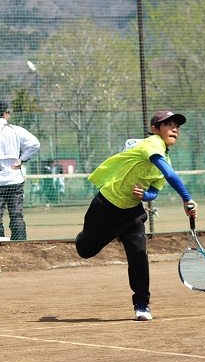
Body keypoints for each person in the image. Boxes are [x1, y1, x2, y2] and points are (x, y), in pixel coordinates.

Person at [75, 110, 198, 321]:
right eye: (168, 124)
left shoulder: (164, 157)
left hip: (132, 215)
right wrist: (186, 198)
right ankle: (82, 237)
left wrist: (145, 194)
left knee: (139, 256)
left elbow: (154, 192)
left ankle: (142, 305)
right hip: (105, 206)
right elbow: (170, 175)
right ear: (155, 130)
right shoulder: (152, 144)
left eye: (177, 126)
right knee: (85, 250)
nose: (174, 129)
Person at [0, 100, 40, 240]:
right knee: (16, 215)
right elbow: (35, 144)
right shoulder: (15, 130)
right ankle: (20, 245)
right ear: (5, 114)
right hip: (14, 180)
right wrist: (22, 159)